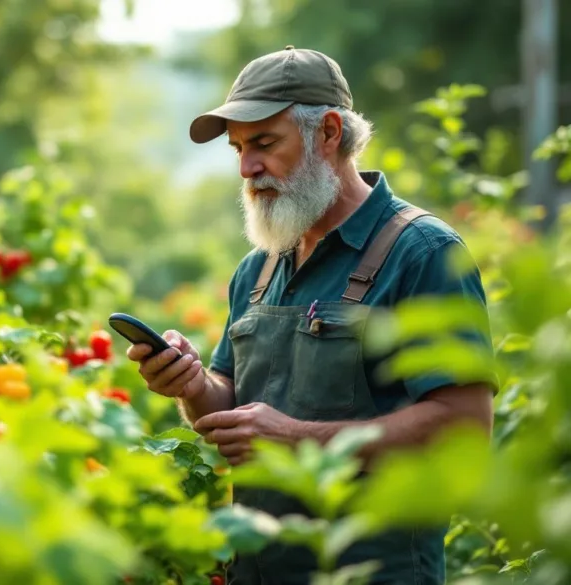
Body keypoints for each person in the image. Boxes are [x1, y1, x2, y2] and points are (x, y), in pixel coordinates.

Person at [125, 46, 495, 585]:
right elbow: (229, 404)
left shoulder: (423, 252)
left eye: (264, 143)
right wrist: (189, 383)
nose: (247, 167)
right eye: (238, 150)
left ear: (327, 134)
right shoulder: (256, 268)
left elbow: (464, 428)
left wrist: (298, 437)